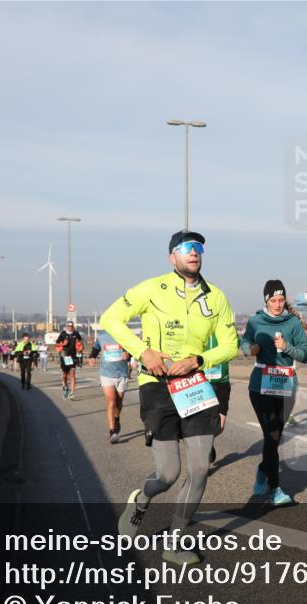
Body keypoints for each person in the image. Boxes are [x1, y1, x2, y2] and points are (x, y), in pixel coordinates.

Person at [105, 230, 238, 566]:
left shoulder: (216, 297)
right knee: (168, 474)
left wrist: (200, 360)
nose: (194, 252)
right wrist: (143, 351)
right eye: (186, 247)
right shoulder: (152, 288)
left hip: (194, 385)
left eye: (199, 247)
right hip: (157, 385)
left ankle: (175, 542)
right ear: (171, 257)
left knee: (199, 469)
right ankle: (141, 500)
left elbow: (230, 345)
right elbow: (111, 319)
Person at [241, 280, 307, 506]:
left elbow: (305, 355)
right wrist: (250, 349)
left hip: (285, 384)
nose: (278, 304)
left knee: (275, 437)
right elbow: (243, 342)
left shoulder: (293, 323)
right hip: (260, 385)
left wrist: (286, 347)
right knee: (271, 435)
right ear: (266, 300)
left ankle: (263, 469)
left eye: (281, 300)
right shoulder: (255, 321)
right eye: (273, 300)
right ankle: (276, 489)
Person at [89, 329, 131, 443]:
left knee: (119, 402)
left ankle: (116, 418)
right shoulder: (102, 336)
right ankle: (112, 431)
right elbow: (96, 347)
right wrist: (92, 357)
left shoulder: (124, 334)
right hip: (106, 373)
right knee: (111, 401)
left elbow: (132, 349)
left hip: (122, 373)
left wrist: (128, 355)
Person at [204, 332, 232, 464]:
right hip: (201, 382)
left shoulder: (225, 329)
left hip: (222, 382)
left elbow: (233, 348)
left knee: (219, 426)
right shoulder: (198, 327)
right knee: (200, 422)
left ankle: (207, 442)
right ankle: (203, 451)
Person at [56, 320, 83, 400]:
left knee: (72, 374)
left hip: (73, 356)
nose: (70, 327)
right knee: (64, 375)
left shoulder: (76, 333)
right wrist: (63, 344)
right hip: (64, 356)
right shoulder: (63, 333)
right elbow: (57, 344)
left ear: (73, 326)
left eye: (71, 326)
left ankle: (72, 393)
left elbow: (80, 341)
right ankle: (65, 386)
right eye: (68, 326)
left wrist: (80, 347)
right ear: (66, 326)